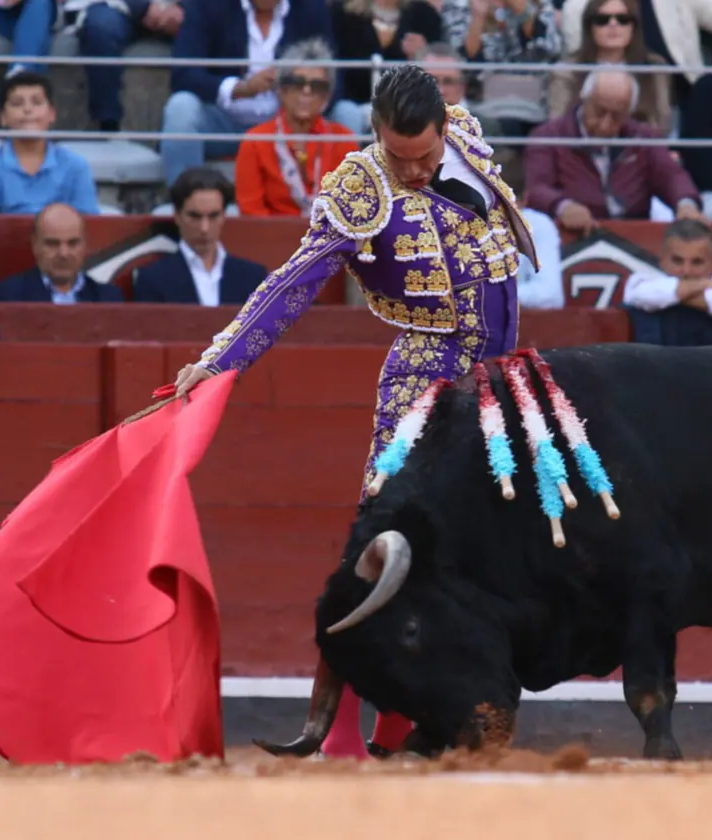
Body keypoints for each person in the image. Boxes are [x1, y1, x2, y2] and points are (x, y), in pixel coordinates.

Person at [168, 64, 538, 760]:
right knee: (382, 549)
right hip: (425, 375)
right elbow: (291, 286)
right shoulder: (358, 190)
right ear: (374, 135)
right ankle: (335, 727)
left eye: (427, 156)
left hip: (493, 378)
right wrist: (222, 359)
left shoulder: (461, 129)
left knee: (466, 551)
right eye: (402, 160)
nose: (419, 171)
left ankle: (401, 720)